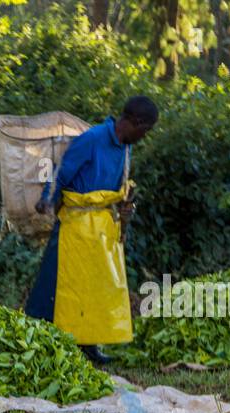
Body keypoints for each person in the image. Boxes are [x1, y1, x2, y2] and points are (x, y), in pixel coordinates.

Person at [24, 96, 158, 364]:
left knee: (95, 288)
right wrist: (47, 198)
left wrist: (124, 208)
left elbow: (117, 187)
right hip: (75, 225)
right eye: (146, 131)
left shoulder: (125, 148)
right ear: (135, 122)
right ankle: (37, 343)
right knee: (58, 284)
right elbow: (62, 172)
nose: (145, 136)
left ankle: (88, 346)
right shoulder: (93, 139)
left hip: (102, 228)